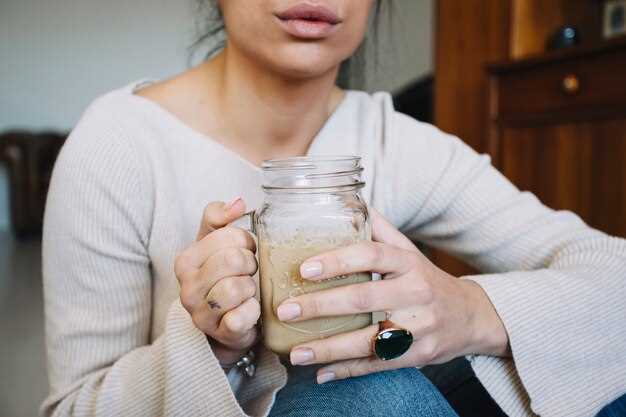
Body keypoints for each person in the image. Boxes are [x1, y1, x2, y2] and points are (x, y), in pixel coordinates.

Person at [40, 1, 626, 417]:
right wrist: (213, 348)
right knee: (373, 398)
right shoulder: (118, 144)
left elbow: (611, 273)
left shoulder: (393, 141)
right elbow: (74, 408)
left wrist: (470, 311)